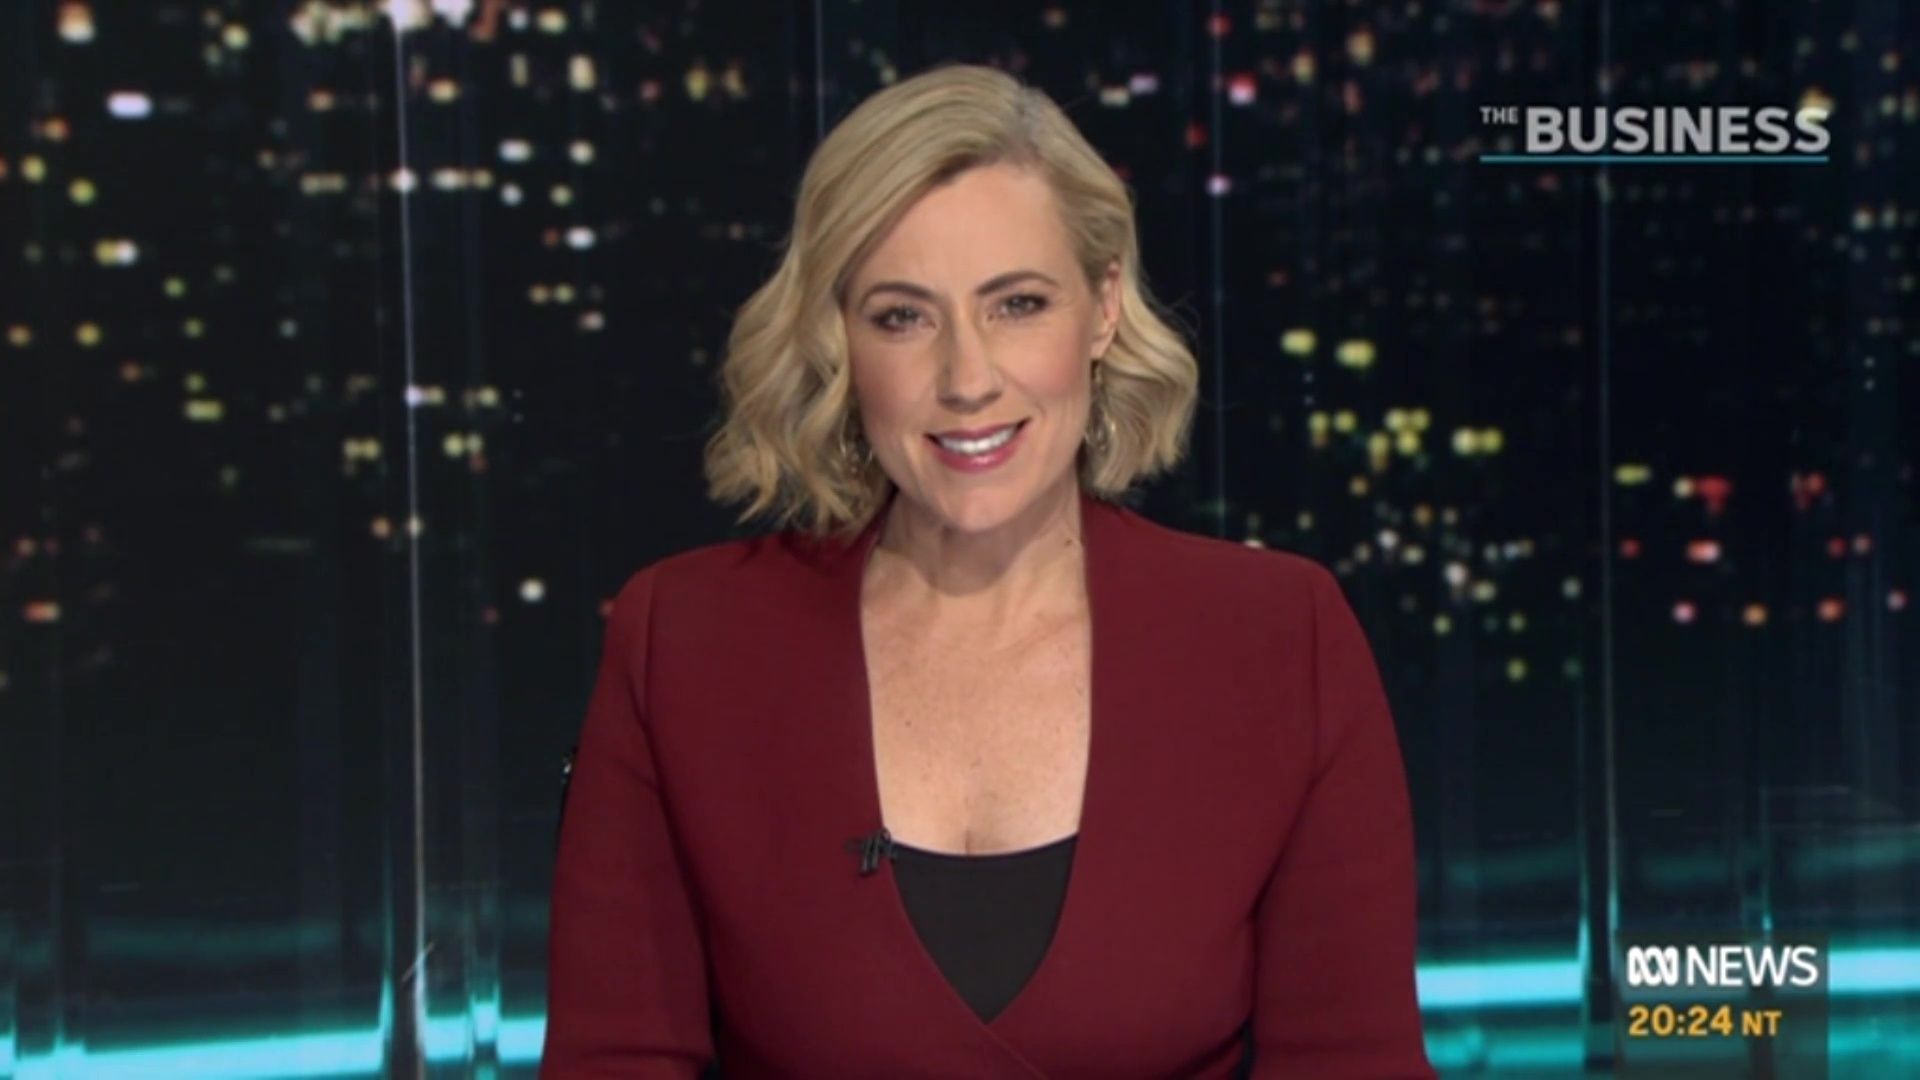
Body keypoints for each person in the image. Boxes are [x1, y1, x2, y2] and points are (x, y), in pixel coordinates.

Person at [540, 61, 1434, 1079]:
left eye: (1017, 304)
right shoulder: (686, 641)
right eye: (903, 316)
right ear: (837, 339)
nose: (967, 379)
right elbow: (615, 1060)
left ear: (1103, 309)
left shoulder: (1278, 637)